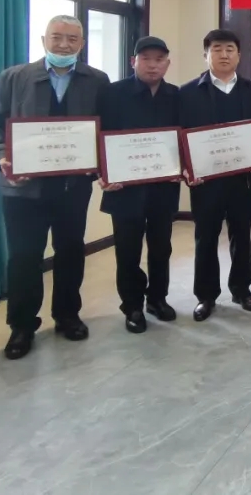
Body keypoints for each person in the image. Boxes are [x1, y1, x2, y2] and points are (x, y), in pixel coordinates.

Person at [0, 15, 111, 360]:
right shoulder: (14, 77)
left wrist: (106, 164)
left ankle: (67, 315)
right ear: (43, 40)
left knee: (71, 251)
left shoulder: (97, 80)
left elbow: (106, 129)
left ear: (82, 44)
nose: (64, 45)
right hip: (22, 189)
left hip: (73, 186)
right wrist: (2, 157)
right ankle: (22, 325)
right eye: (57, 37)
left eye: (72, 39)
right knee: (24, 258)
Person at [97, 36, 181, 333]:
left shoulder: (176, 95)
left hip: (162, 187)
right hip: (124, 189)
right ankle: (132, 305)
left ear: (167, 64)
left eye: (159, 59)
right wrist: (103, 173)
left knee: (161, 248)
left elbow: (184, 137)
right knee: (127, 251)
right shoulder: (112, 94)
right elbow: (99, 136)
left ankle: (157, 299)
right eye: (146, 59)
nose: (153, 65)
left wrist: (186, 166)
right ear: (133, 61)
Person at [180, 29, 251, 321]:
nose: (224, 55)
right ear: (206, 54)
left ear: (239, 55)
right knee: (206, 237)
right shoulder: (187, 93)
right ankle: (206, 296)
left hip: (243, 179)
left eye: (230, 49)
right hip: (206, 181)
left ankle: (242, 289)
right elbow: (180, 135)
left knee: (242, 235)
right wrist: (186, 166)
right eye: (217, 49)